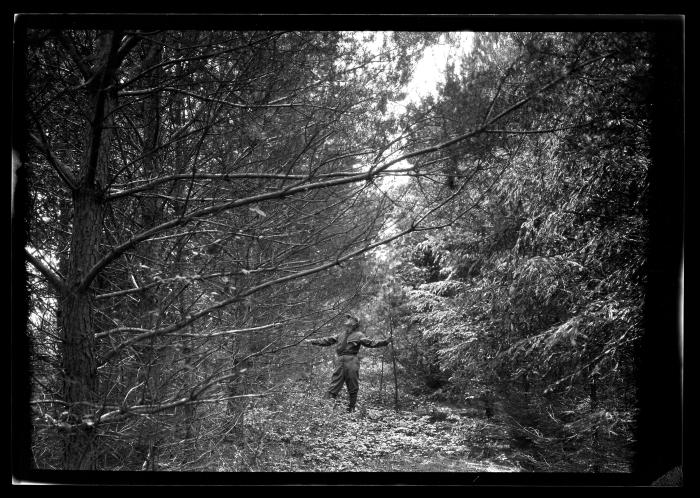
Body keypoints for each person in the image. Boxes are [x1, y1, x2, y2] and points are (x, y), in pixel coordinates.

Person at [308, 313, 391, 412]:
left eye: (350, 318)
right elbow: (327, 340)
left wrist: (385, 341)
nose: (347, 320)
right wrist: (312, 341)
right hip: (340, 361)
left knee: (352, 385)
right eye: (347, 318)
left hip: (352, 361)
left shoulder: (359, 335)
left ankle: (351, 409)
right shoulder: (340, 335)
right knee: (334, 384)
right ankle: (325, 409)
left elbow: (371, 343)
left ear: (354, 323)